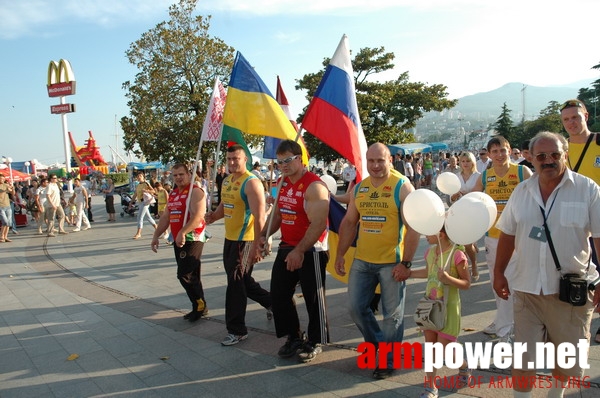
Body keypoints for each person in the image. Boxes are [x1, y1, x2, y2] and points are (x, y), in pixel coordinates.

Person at [493, 131, 600, 398]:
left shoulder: (588, 190)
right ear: (531, 159)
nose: (548, 160)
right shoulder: (522, 191)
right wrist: (498, 273)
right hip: (527, 289)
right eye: (541, 156)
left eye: (555, 154)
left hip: (569, 293)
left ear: (565, 154)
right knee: (523, 360)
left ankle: (556, 395)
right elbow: (507, 234)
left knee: (565, 358)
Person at [334, 143, 420, 379]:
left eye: (380, 161)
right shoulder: (360, 188)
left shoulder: (402, 186)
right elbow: (350, 223)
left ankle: (388, 360)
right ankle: (377, 347)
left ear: (390, 160)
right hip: (362, 260)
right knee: (355, 307)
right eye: (371, 161)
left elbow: (413, 228)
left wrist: (407, 263)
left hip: (391, 262)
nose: (375, 166)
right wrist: (340, 254)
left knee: (392, 315)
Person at [259, 139, 330, 363]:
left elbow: (318, 224)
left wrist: (300, 251)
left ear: (300, 159)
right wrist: (264, 234)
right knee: (278, 295)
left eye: (288, 160)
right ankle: (294, 336)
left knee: (313, 297)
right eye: (280, 162)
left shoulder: (315, 186)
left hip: (312, 249)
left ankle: (316, 340)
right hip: (287, 246)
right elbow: (278, 215)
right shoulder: (282, 183)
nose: (284, 165)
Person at [205, 145, 272, 346]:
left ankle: (237, 330)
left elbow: (260, 217)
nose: (232, 162)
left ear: (246, 160)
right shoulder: (227, 181)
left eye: (236, 158)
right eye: (229, 159)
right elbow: (224, 207)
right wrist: (212, 217)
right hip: (230, 238)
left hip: (246, 240)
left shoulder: (252, 183)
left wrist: (259, 245)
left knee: (235, 283)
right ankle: (273, 303)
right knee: (242, 280)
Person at [473, 136, 532, 342]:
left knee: (520, 284)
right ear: (488, 154)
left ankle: (517, 329)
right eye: (494, 151)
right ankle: (504, 328)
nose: (499, 155)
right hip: (494, 238)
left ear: (510, 151)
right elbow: (473, 201)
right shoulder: (485, 176)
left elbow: (537, 197)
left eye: (503, 150)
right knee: (498, 284)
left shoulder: (522, 172)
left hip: (520, 237)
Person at [409, 226, 471, 398]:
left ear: (441, 234)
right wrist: (409, 273)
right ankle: (430, 387)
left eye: (429, 232)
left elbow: (467, 283)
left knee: (445, 349)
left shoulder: (458, 254)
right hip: (430, 307)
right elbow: (429, 272)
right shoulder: (430, 252)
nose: (425, 235)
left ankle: (464, 365)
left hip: (449, 309)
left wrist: (448, 279)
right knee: (431, 349)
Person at [560, 99, 600, 344]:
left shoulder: (598, 143)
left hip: (598, 215)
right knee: (576, 270)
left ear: (586, 115)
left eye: (576, 117)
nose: (572, 123)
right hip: (571, 218)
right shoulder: (561, 148)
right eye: (566, 119)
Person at [151, 163, 208, 322]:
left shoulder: (195, 192)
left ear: (189, 174)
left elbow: (198, 217)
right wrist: (156, 236)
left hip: (192, 238)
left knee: (184, 275)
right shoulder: (174, 193)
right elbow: (165, 218)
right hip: (178, 238)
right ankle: (199, 306)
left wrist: (183, 232)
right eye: (175, 175)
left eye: (181, 174)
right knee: (192, 275)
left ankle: (199, 305)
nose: (178, 178)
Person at [450, 151, 482, 281]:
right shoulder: (456, 177)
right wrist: (456, 195)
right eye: (463, 161)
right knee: (461, 242)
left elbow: (482, 195)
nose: (465, 164)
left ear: (473, 162)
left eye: (467, 161)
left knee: (467, 243)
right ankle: (465, 264)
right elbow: (450, 198)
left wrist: (469, 195)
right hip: (459, 212)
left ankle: (474, 265)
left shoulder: (478, 176)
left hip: (474, 213)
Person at [132, 172, 157, 239]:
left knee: (139, 217)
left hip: (145, 202)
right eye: (138, 176)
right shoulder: (138, 185)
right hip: (140, 202)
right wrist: (131, 202)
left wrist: (146, 190)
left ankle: (139, 233)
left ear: (143, 177)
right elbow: (135, 194)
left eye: (140, 176)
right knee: (148, 217)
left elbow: (153, 191)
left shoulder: (146, 183)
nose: (139, 177)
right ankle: (157, 229)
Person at [0, 173, 14, 243]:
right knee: (5, 221)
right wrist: (6, 190)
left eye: (3, 178)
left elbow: (12, 193)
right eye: (1, 179)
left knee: (8, 222)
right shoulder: (3, 187)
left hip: (7, 205)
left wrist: (12, 188)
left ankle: (5, 237)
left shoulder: (6, 185)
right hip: (0, 206)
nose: (2, 180)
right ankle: (1, 236)